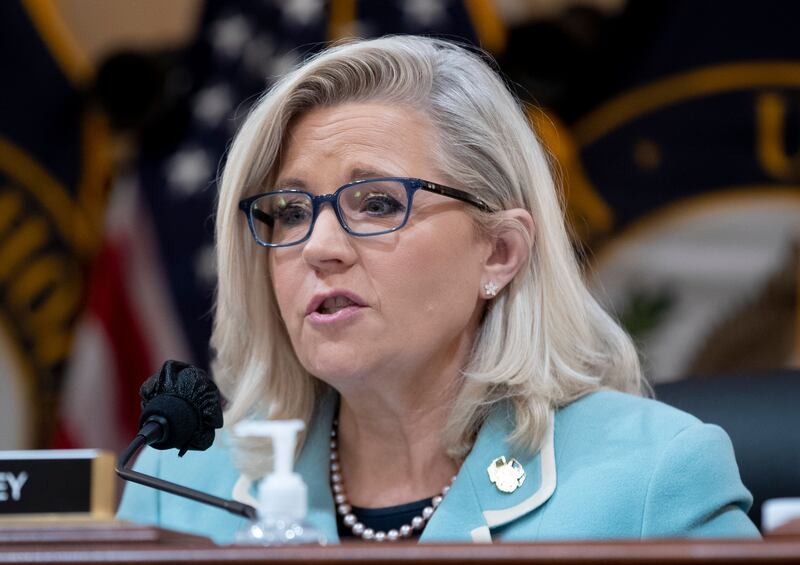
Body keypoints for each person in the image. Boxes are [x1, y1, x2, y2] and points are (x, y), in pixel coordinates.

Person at [117, 35, 758, 543]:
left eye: (374, 203)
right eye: (289, 211)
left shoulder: (651, 481)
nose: (318, 246)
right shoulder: (176, 484)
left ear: (500, 252)